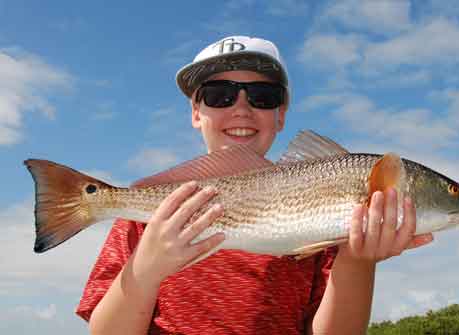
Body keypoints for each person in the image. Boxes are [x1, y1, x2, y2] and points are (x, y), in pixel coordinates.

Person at [76, 36, 434, 335]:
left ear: (281, 114)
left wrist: (357, 262)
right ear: (196, 112)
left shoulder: (327, 224)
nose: (242, 109)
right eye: (219, 95)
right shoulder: (148, 216)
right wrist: (145, 270)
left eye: (263, 96)